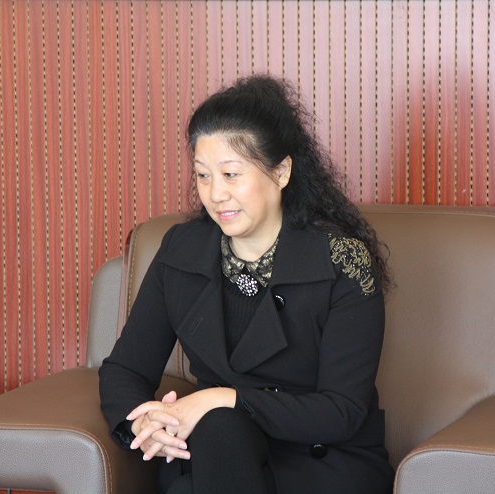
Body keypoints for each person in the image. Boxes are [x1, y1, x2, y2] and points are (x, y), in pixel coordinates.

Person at [99, 75, 393, 494]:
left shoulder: (343, 261)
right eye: (203, 176)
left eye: (231, 174)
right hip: (222, 452)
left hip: (321, 463)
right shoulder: (182, 250)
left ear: (282, 171)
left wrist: (222, 398)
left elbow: (341, 410)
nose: (216, 194)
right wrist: (143, 422)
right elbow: (125, 369)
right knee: (219, 433)